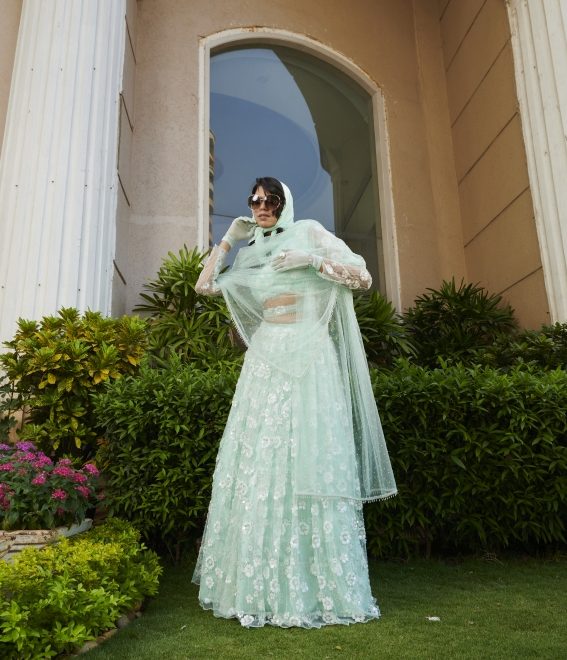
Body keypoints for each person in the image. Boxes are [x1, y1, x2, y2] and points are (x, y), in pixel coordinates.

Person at [192, 177, 396, 628]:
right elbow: (205, 286)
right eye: (255, 201)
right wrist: (228, 239)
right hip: (266, 355)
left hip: (309, 352)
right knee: (263, 461)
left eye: (270, 200)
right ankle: (262, 585)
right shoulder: (249, 251)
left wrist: (313, 260)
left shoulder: (309, 231)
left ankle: (319, 585)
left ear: (285, 202)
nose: (262, 207)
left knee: (309, 454)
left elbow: (362, 276)